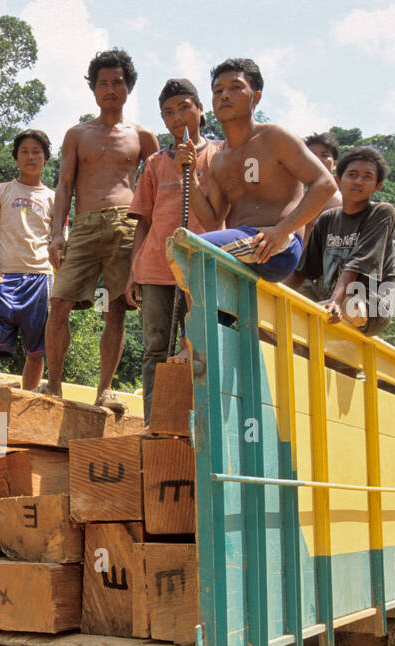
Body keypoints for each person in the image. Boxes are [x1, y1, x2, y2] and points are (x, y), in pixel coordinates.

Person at [44, 49, 159, 410]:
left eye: (117, 82)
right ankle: (54, 386)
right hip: (84, 225)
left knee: (114, 308)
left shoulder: (142, 136)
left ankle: (105, 390)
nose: (110, 89)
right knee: (59, 302)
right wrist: (57, 232)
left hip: (126, 225)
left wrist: (151, 240)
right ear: (93, 90)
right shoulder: (77, 134)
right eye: (103, 83)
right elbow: (64, 185)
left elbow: (156, 186)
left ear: (128, 88)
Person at [187, 58, 338, 284]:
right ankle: (210, 319)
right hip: (242, 249)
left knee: (191, 248)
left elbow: (325, 184)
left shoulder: (274, 138)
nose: (225, 95)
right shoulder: (219, 160)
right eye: (218, 90)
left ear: (255, 97)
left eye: (236, 87)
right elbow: (212, 221)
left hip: (277, 245)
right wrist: (189, 176)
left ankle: (198, 319)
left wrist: (282, 230)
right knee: (191, 251)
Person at [125, 77, 220, 403]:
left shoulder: (219, 155)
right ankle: (154, 421)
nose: (177, 117)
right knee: (156, 346)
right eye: (168, 112)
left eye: (184, 108)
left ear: (200, 109)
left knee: (203, 342)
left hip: (202, 265)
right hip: (155, 269)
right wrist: (132, 272)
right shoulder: (154, 164)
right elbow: (143, 222)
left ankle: (200, 422)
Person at [288, 145, 395, 335]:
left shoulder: (381, 213)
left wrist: (337, 301)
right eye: (352, 175)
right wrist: (271, 293)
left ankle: (334, 307)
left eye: (367, 177)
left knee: (352, 306)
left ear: (378, 185)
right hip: (331, 300)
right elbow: (304, 270)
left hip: (369, 304)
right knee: (279, 310)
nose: (359, 181)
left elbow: (358, 263)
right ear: (338, 180)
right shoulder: (328, 219)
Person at [0, 129, 57, 392]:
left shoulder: (54, 199)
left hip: (41, 279)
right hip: (6, 277)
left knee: (37, 350)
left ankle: (28, 401)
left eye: (37, 151)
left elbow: (60, 242)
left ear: (46, 158)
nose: (30, 156)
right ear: (16, 157)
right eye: (24, 151)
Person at [302, 132, 343, 239]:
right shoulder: (299, 195)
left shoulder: (337, 199)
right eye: (311, 155)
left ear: (334, 164)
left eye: (324, 155)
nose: (317, 160)